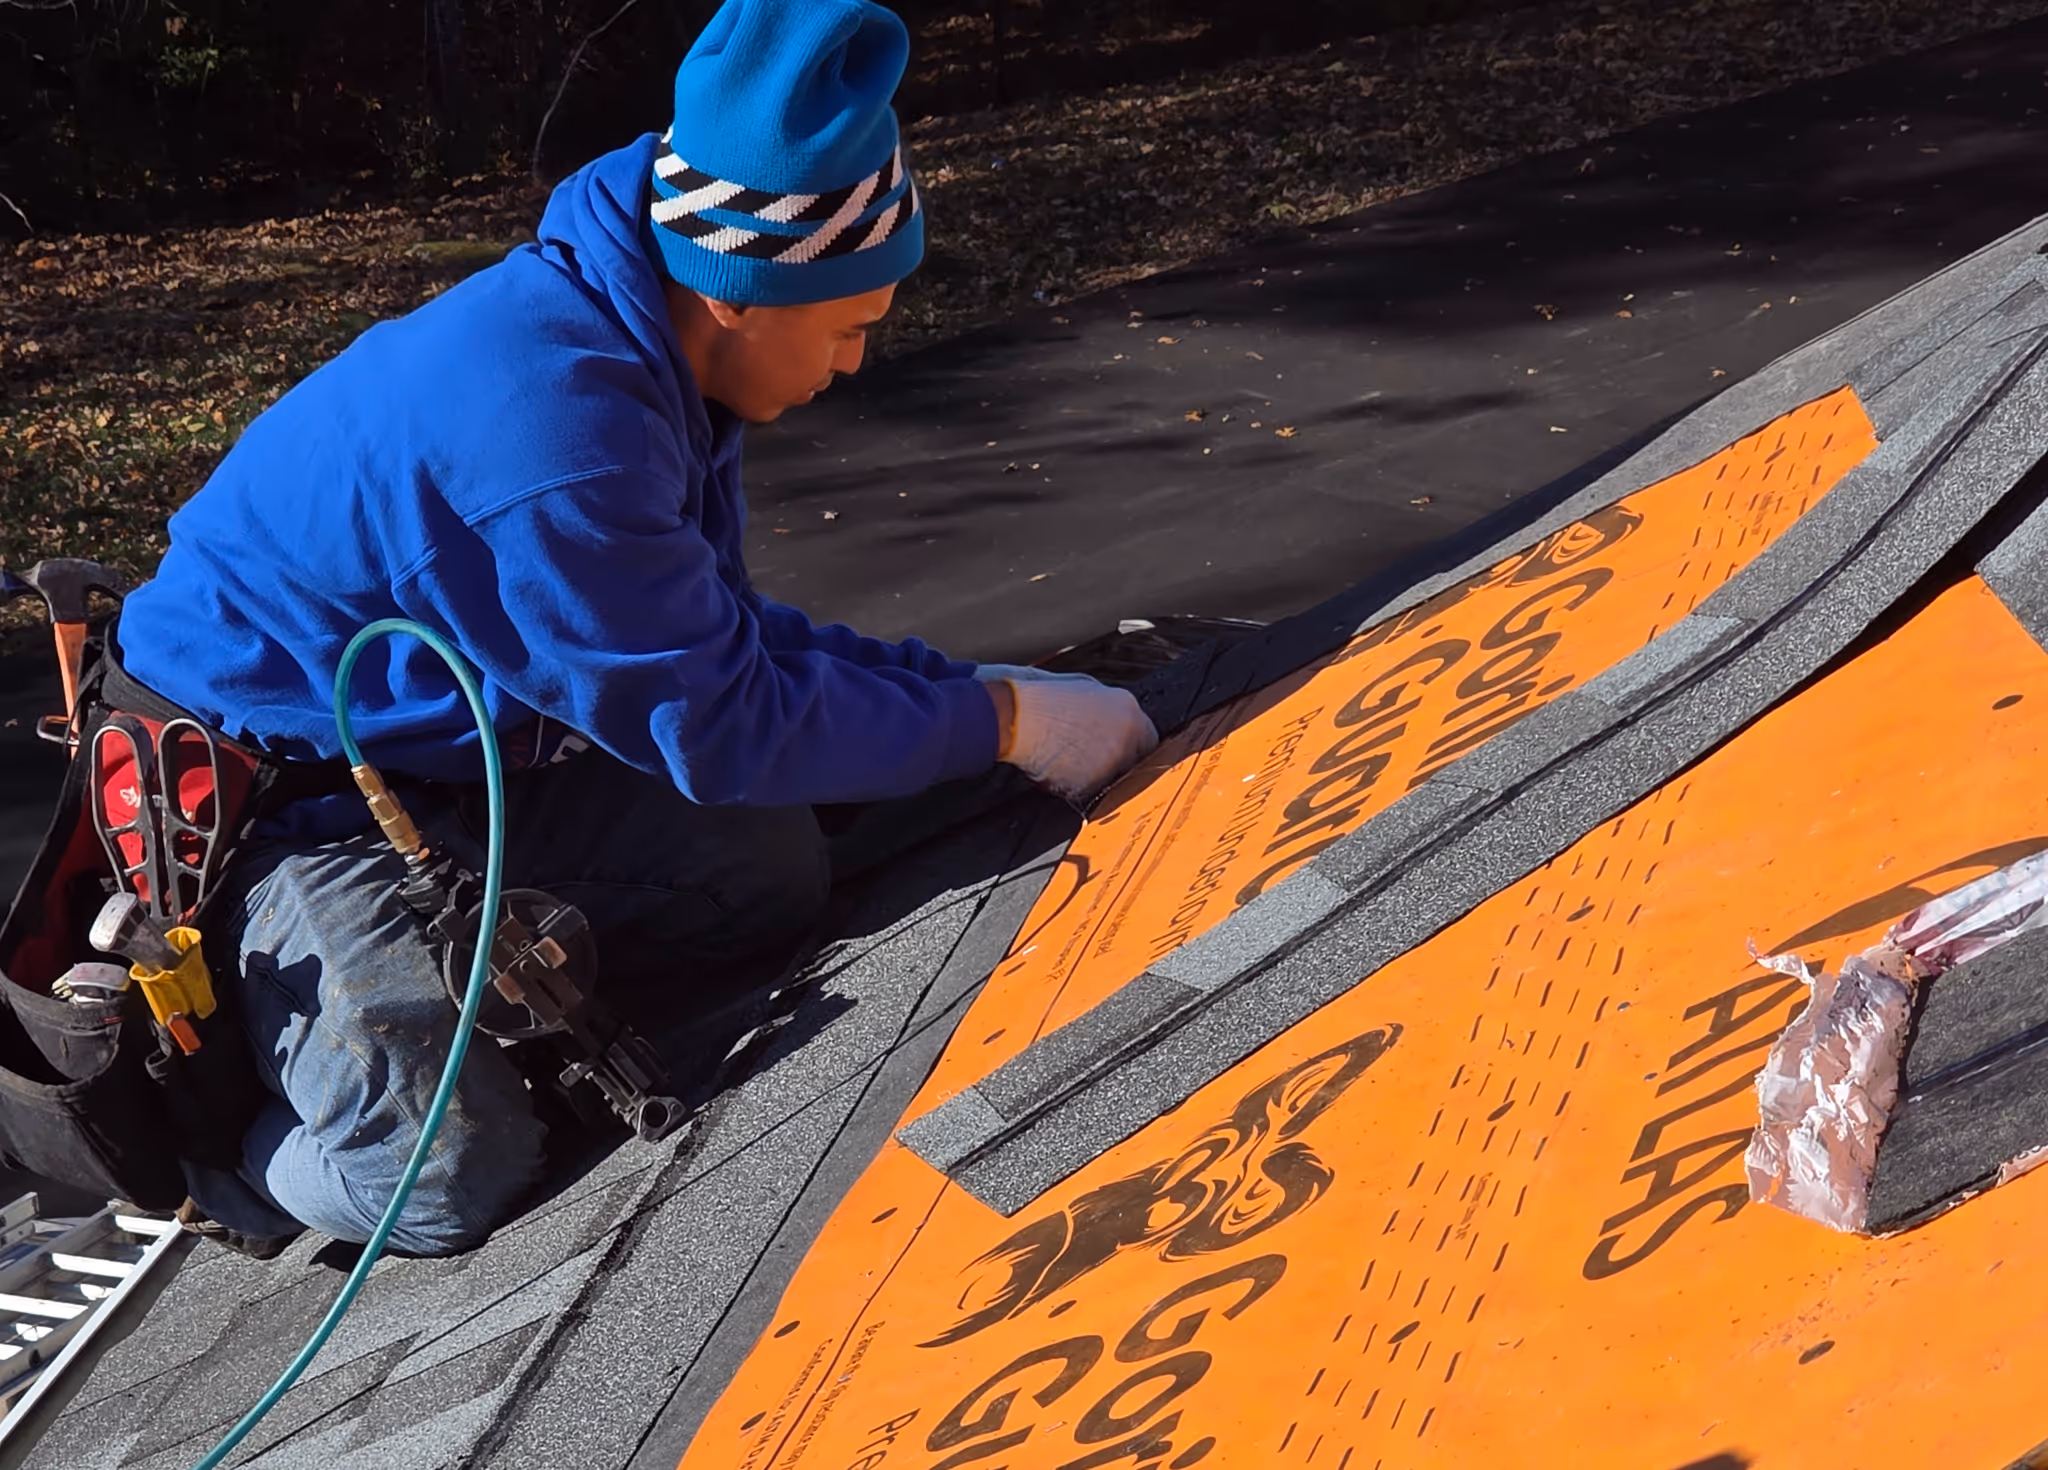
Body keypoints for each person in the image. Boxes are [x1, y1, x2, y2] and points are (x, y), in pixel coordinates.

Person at [110, 0, 1157, 1257]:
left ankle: (475, 1017)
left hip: (438, 764)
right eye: (847, 326)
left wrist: (969, 691)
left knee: (757, 871)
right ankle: (229, 1161)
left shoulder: (638, 320)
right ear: (742, 299)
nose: (856, 364)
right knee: (440, 1175)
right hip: (266, 821)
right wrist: (1000, 721)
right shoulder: (555, 437)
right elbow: (720, 725)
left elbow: (717, 643)